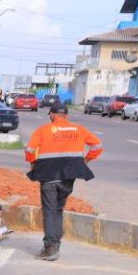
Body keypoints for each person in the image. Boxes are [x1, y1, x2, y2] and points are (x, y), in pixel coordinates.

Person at [24, 99, 102, 261]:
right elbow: (97, 145)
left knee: (49, 211)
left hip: (48, 176)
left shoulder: (43, 130)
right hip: (68, 177)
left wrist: (33, 163)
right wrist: (85, 161)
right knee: (58, 210)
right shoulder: (79, 129)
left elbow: (30, 150)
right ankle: (55, 244)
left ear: (52, 115)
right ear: (66, 115)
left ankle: (50, 248)